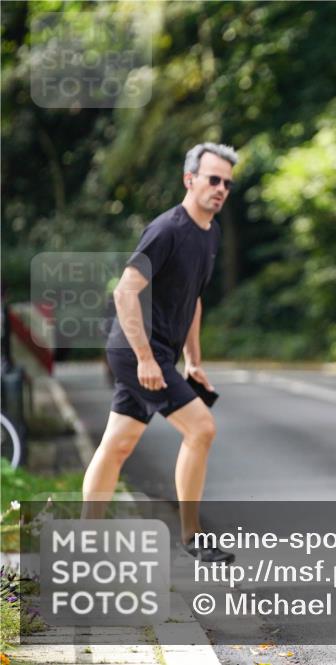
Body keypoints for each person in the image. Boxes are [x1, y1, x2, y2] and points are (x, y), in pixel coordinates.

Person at [82, 143, 238, 563]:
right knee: (201, 428)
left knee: (118, 443)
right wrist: (147, 359)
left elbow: (193, 299)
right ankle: (192, 537)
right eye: (213, 179)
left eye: (226, 182)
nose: (220, 188)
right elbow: (125, 292)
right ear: (190, 180)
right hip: (136, 351)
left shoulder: (211, 233)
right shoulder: (168, 229)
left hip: (162, 353)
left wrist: (195, 361)